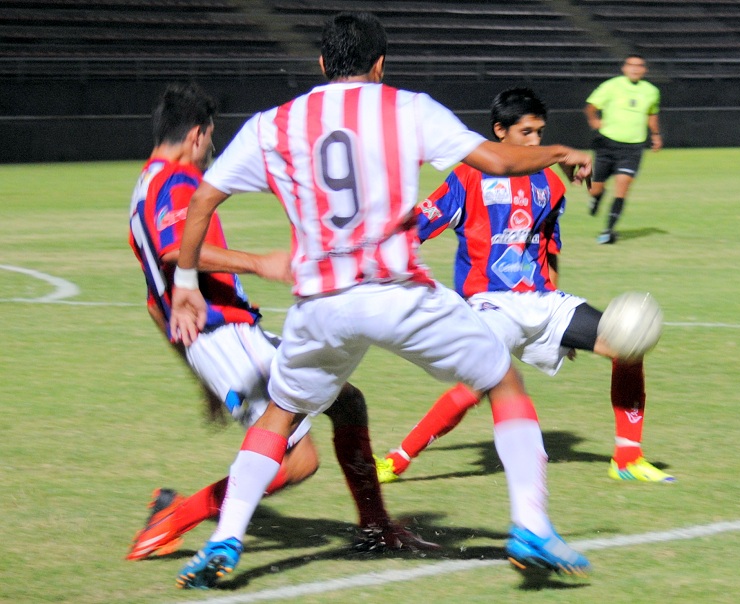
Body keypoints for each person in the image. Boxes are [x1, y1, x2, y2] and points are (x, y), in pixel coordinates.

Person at [169, 12, 595, 589]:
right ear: (380, 64)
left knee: (280, 414)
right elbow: (498, 161)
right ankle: (531, 526)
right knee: (502, 379)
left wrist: (186, 286)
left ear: (322, 63)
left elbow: (203, 201)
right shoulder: (407, 107)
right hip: (397, 291)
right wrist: (560, 150)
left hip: (320, 303)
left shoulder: (273, 124)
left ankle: (226, 537)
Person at [127, 82, 432, 564]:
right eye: (211, 139)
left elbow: (153, 303)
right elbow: (174, 249)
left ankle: (376, 528)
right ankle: (174, 516)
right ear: (197, 134)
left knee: (347, 403)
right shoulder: (177, 180)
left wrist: (199, 375)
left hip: (220, 340)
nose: (211, 150)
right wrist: (259, 262)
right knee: (295, 461)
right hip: (223, 334)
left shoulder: (144, 187)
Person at [374, 87, 674, 486]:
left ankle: (627, 458)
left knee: (627, 346)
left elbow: (549, 250)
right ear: (500, 131)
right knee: (476, 385)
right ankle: (396, 461)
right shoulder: (467, 176)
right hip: (489, 304)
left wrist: (560, 325)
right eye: (526, 132)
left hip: (542, 300)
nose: (535, 141)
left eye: (539, 132)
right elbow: (414, 230)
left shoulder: (551, 183)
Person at [584, 54, 662, 244]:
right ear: (624, 68)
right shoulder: (611, 86)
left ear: (644, 70)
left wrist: (655, 134)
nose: (635, 69)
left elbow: (652, 113)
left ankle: (609, 231)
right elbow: (591, 106)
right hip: (607, 144)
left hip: (633, 148)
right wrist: (594, 120)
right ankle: (596, 198)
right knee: (595, 188)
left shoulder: (651, 91)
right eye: (631, 65)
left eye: (639, 65)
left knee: (622, 187)